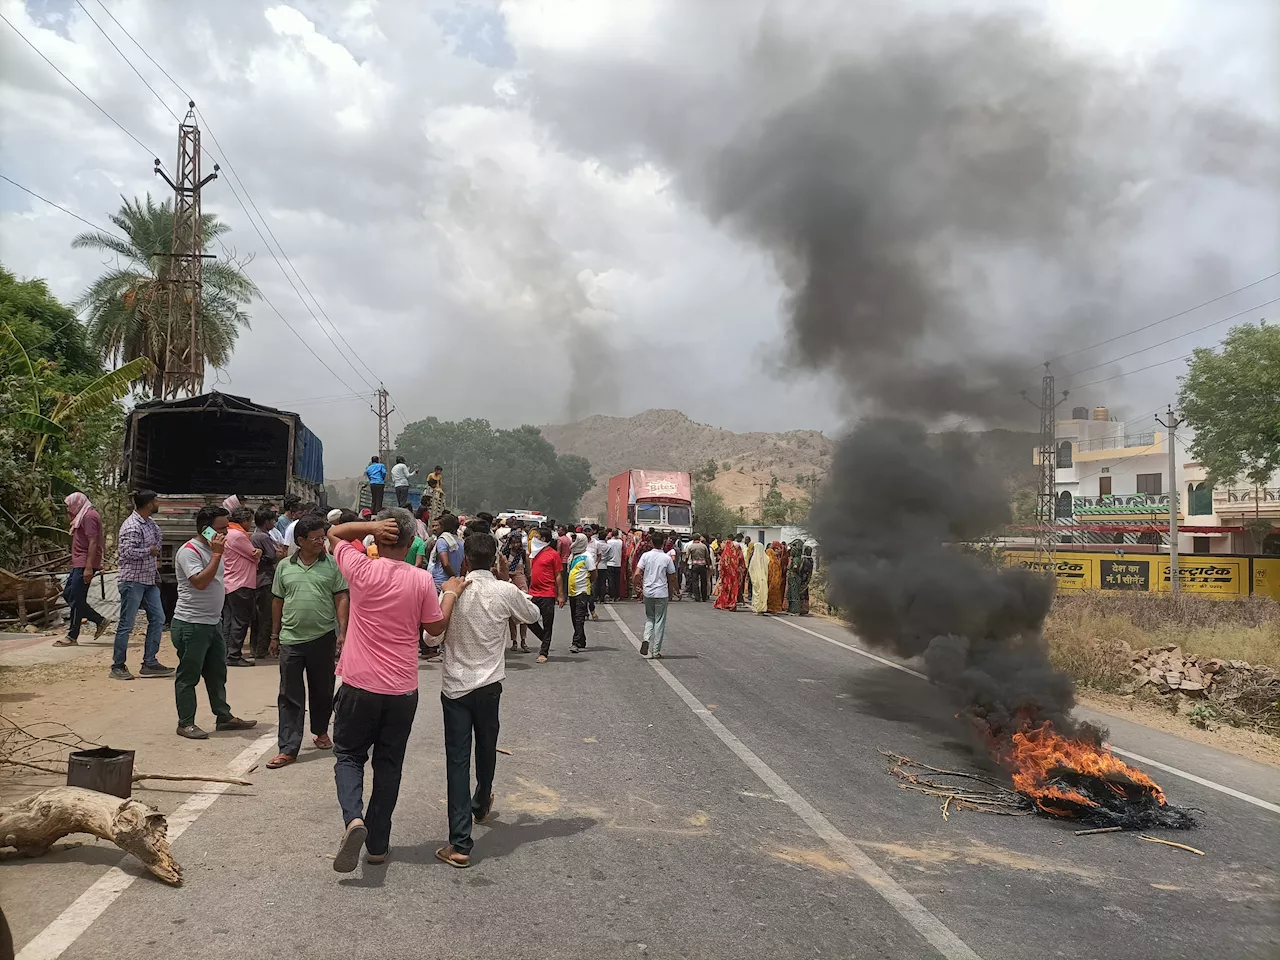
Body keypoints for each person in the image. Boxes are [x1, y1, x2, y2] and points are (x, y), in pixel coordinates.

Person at [326, 509, 467, 872]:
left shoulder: (359, 568)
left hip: (359, 683)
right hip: (402, 689)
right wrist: (449, 595)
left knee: (349, 755)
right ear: (410, 544)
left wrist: (370, 527)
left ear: (378, 540)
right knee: (389, 766)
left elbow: (334, 532)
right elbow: (434, 629)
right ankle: (377, 843)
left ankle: (353, 819)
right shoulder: (421, 580)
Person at [435, 530, 544, 869]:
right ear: (495, 558)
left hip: (455, 687)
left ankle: (460, 842)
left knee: (457, 759)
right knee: (486, 746)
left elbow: (430, 634)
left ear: (464, 559)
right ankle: (481, 801)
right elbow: (533, 615)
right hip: (489, 686)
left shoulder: (452, 592)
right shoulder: (504, 590)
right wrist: (509, 584)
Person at [265, 516, 349, 770]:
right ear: (300, 541)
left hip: (322, 637)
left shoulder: (332, 566)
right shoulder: (284, 567)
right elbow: (277, 601)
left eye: (323, 537)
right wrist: (274, 635)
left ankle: (321, 730)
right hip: (291, 639)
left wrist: (342, 632)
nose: (321, 542)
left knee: (322, 690)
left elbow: (341, 597)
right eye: (315, 539)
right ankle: (288, 748)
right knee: (289, 695)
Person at [171, 504, 258, 739]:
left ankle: (224, 716)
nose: (226, 534)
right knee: (189, 675)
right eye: (220, 529)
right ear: (205, 530)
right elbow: (200, 582)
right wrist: (218, 554)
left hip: (212, 622)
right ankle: (186, 722)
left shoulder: (213, 549)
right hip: (192, 623)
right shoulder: (190, 551)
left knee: (217, 672)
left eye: (226, 528)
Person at [109, 490, 173, 679]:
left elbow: (159, 540)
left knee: (158, 618)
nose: (158, 503)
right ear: (148, 504)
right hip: (132, 580)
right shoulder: (131, 526)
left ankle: (150, 662)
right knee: (126, 624)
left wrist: (154, 549)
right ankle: (117, 666)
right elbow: (126, 552)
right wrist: (149, 550)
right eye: (156, 500)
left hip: (149, 579)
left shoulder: (150, 523)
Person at [55, 492, 110, 647]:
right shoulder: (82, 515)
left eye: (69, 507)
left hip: (85, 564)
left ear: (77, 504)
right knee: (69, 595)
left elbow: (93, 542)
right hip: (79, 563)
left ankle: (72, 636)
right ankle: (99, 620)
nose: (68, 510)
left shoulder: (89, 517)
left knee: (77, 599)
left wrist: (88, 568)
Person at [222, 506, 262, 667]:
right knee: (240, 621)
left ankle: (226, 653)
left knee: (228, 620)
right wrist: (258, 552)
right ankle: (234, 655)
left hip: (228, 582)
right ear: (244, 521)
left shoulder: (225, 533)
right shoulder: (238, 535)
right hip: (241, 582)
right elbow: (253, 554)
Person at [425, 514, 464, 662]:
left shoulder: (442, 541)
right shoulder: (459, 541)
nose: (435, 528)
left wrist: (452, 576)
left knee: (438, 616)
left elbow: (445, 562)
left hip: (440, 582)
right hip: (454, 583)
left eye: (438, 525)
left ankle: (440, 650)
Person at [250, 507, 286, 658]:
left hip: (257, 579)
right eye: (272, 520)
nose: (274, 523)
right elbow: (273, 555)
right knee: (266, 616)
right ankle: (261, 649)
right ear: (266, 522)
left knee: (257, 617)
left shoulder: (255, 535)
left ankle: (255, 647)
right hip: (265, 579)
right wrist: (277, 553)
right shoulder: (263, 537)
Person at [527, 526, 564, 663]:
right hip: (533, 592)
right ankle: (545, 638)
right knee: (528, 619)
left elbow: (558, 575)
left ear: (543, 539)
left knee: (548, 623)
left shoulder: (553, 554)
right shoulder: (535, 553)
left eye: (536, 537)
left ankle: (544, 652)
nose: (534, 539)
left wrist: (560, 595)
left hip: (547, 593)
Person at [637, 540, 677, 658]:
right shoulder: (666, 558)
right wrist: (676, 591)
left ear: (651, 543)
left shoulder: (645, 556)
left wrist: (636, 587)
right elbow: (672, 576)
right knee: (660, 621)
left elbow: (637, 573)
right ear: (663, 543)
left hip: (648, 591)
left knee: (650, 618)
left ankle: (646, 638)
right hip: (661, 592)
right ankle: (655, 651)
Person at [500, 521, 532, 651]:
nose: (516, 545)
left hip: (521, 581)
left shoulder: (523, 554)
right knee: (511, 614)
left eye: (518, 542)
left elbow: (528, 571)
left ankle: (523, 640)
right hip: (508, 582)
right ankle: (514, 641)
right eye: (513, 542)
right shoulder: (504, 554)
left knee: (523, 611)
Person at [565, 533, 596, 651]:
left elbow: (593, 573)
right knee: (574, 617)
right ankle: (581, 640)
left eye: (575, 539)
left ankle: (576, 642)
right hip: (572, 591)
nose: (573, 542)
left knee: (579, 617)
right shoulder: (572, 555)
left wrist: (587, 583)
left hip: (582, 591)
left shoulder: (587, 556)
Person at [714, 537, 744, 610]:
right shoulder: (735, 554)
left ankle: (724, 603)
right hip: (734, 576)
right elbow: (741, 564)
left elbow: (722, 565)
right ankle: (732, 603)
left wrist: (722, 575)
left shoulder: (725, 554)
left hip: (726, 577)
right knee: (733, 590)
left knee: (725, 590)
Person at [788, 541, 813, 615]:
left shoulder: (802, 560)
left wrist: (794, 571)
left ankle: (796, 610)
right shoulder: (811, 560)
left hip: (799, 578)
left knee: (796, 594)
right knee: (804, 594)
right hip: (806, 579)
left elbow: (797, 568)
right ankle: (804, 609)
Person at [684, 535, 710, 603]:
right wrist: (709, 565)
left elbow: (687, 556)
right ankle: (704, 597)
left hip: (695, 565)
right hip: (703, 565)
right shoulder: (703, 546)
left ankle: (697, 597)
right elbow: (707, 556)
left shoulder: (691, 546)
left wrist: (685, 564)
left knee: (695, 581)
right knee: (703, 582)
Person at [748, 537, 769, 615]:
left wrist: (753, 578)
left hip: (756, 579)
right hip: (763, 579)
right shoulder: (766, 558)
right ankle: (762, 608)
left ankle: (758, 608)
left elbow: (750, 569)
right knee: (763, 594)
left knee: (757, 594)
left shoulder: (753, 559)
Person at [766, 542, 786, 613]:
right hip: (773, 580)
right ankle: (770, 607)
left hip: (775, 579)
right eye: (779, 548)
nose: (780, 550)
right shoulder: (772, 558)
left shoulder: (775, 557)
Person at [605, 529, 623, 602]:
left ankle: (612, 595)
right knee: (617, 581)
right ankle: (617, 595)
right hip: (618, 563)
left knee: (611, 581)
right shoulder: (620, 542)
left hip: (610, 563)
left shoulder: (609, 542)